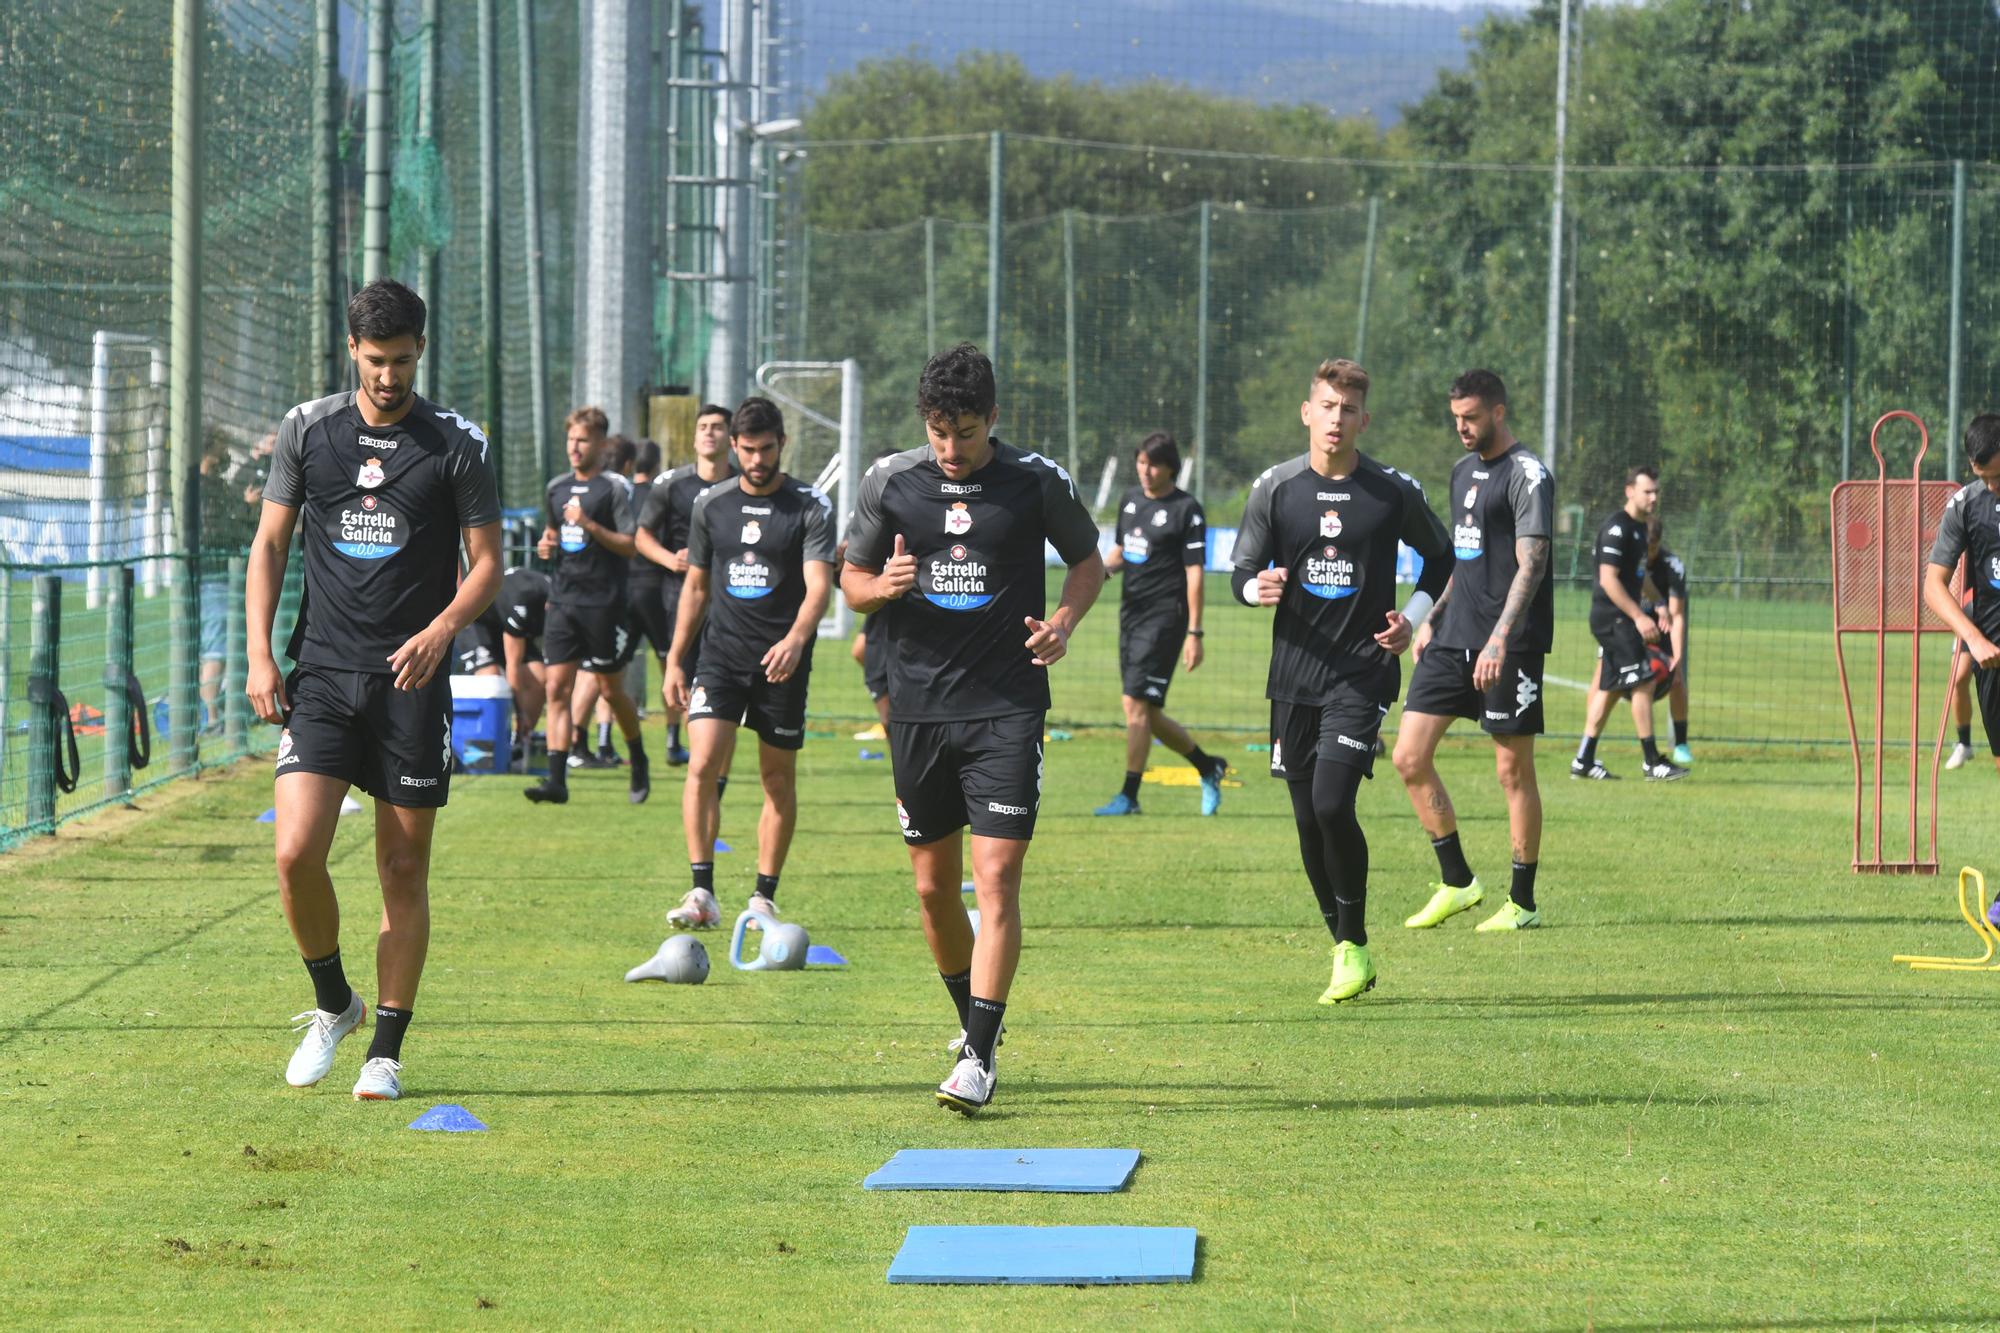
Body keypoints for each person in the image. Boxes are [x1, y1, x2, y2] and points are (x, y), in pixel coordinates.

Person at [244, 278, 501, 1102]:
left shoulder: (457, 443)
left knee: (401, 864)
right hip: (321, 674)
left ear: (421, 349)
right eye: (374, 360)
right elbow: (270, 544)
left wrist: (441, 628)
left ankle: (385, 1048)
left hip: (410, 684)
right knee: (294, 853)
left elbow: (488, 565)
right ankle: (335, 1004)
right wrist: (259, 652)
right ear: (351, 350)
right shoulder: (307, 430)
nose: (388, 375)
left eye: (401, 359)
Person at [841, 342, 1105, 1115]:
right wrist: (879, 587)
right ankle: (972, 1029)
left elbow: (1088, 564)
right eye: (937, 432)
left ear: (993, 417)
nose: (950, 449)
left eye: (964, 431)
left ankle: (979, 1059)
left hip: (1008, 708)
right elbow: (850, 581)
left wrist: (1062, 621)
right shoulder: (891, 481)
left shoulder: (1034, 481)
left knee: (995, 879)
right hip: (917, 709)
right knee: (931, 889)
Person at [1232, 357, 1452, 1004]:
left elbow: (1441, 557)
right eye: (1326, 406)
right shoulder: (1275, 487)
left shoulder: (1390, 491)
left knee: (1332, 803)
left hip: (1361, 672)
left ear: (1364, 418)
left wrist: (1411, 620)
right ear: (1308, 412)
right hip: (1293, 676)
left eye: (1348, 409)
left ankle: (1352, 941)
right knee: (1307, 822)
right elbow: (1241, 567)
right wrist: (1256, 586)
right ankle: (1346, 945)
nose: (1336, 419)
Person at [662, 397, 835, 932]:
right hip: (720, 658)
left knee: (775, 778)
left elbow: (819, 587)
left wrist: (796, 640)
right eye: (748, 450)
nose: (757, 460)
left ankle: (763, 897)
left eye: (766, 449)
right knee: (701, 766)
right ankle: (702, 892)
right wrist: (674, 660)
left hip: (782, 663)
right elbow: (695, 586)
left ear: (782, 444)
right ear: (734, 447)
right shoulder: (711, 504)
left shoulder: (810, 506)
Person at [1394, 370, 1552, 933]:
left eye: (1472, 417)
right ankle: (1458, 881)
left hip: (1507, 644)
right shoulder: (1463, 472)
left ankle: (1522, 903)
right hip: (1454, 636)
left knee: (1512, 772)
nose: (1462, 427)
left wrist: (1500, 639)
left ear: (1499, 412)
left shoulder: (1528, 475)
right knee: (1409, 757)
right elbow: (1464, 560)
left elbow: (1531, 565)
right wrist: (1431, 619)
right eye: (1456, 417)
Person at [1094, 431, 1229, 818]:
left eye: (1153, 464)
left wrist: (1195, 632)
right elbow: (1123, 549)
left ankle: (1129, 795)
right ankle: (1208, 766)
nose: (1145, 471)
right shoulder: (1130, 500)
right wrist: (1100, 570)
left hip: (1166, 619)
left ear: (1170, 467)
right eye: (1140, 463)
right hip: (1130, 616)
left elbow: (1195, 574)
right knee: (1147, 714)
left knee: (1134, 705)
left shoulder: (1187, 509)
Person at [523, 407, 650, 805]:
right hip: (563, 600)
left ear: (600, 444)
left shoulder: (614, 488)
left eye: (582, 440)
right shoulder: (556, 488)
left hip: (605, 603)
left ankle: (639, 757)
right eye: (570, 440)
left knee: (611, 691)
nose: (574, 448)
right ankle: (557, 780)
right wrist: (547, 544)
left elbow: (631, 545)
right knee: (557, 688)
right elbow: (552, 534)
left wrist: (591, 525)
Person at [635, 404, 736, 767]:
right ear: (694, 438)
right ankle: (681, 740)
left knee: (723, 689)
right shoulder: (672, 484)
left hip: (731, 605)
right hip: (681, 598)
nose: (709, 432)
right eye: (703, 427)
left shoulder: (742, 485)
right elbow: (642, 536)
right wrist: (669, 559)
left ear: (732, 438)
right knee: (680, 673)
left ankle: (711, 770)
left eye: (718, 427)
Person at [1572, 465, 1687, 782]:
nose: (1653, 497)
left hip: (1622, 617)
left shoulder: (1640, 530)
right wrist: (1639, 616)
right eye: (1647, 491)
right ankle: (1652, 761)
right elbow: (1608, 581)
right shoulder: (1617, 529)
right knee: (1644, 680)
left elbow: (1640, 576)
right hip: (1613, 618)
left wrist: (1660, 605)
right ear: (1629, 491)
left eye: (1656, 492)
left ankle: (1583, 759)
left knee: (1609, 689)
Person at [1923, 414, 2000, 795]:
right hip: (1993, 656)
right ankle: (1964, 743)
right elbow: (1933, 585)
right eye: (1983, 476)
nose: (1991, 485)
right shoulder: (1965, 505)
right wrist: (1975, 639)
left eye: (1998, 477)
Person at [1643, 516, 1693, 767]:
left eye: (1652, 546)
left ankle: (1681, 744)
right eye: (1644, 545)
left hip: (1663, 629)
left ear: (1659, 542)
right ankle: (1587, 750)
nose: (1648, 551)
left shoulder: (1672, 565)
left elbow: (1677, 615)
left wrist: (1677, 657)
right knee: (1603, 680)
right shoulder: (1626, 559)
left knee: (1677, 679)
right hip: (1629, 626)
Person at [497, 563, 551, 772]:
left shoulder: (554, 596)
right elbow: (513, 665)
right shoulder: (521, 604)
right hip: (483, 626)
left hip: (518, 627)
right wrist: (520, 712)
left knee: (540, 679)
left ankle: (521, 741)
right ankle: (497, 745)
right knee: (491, 679)